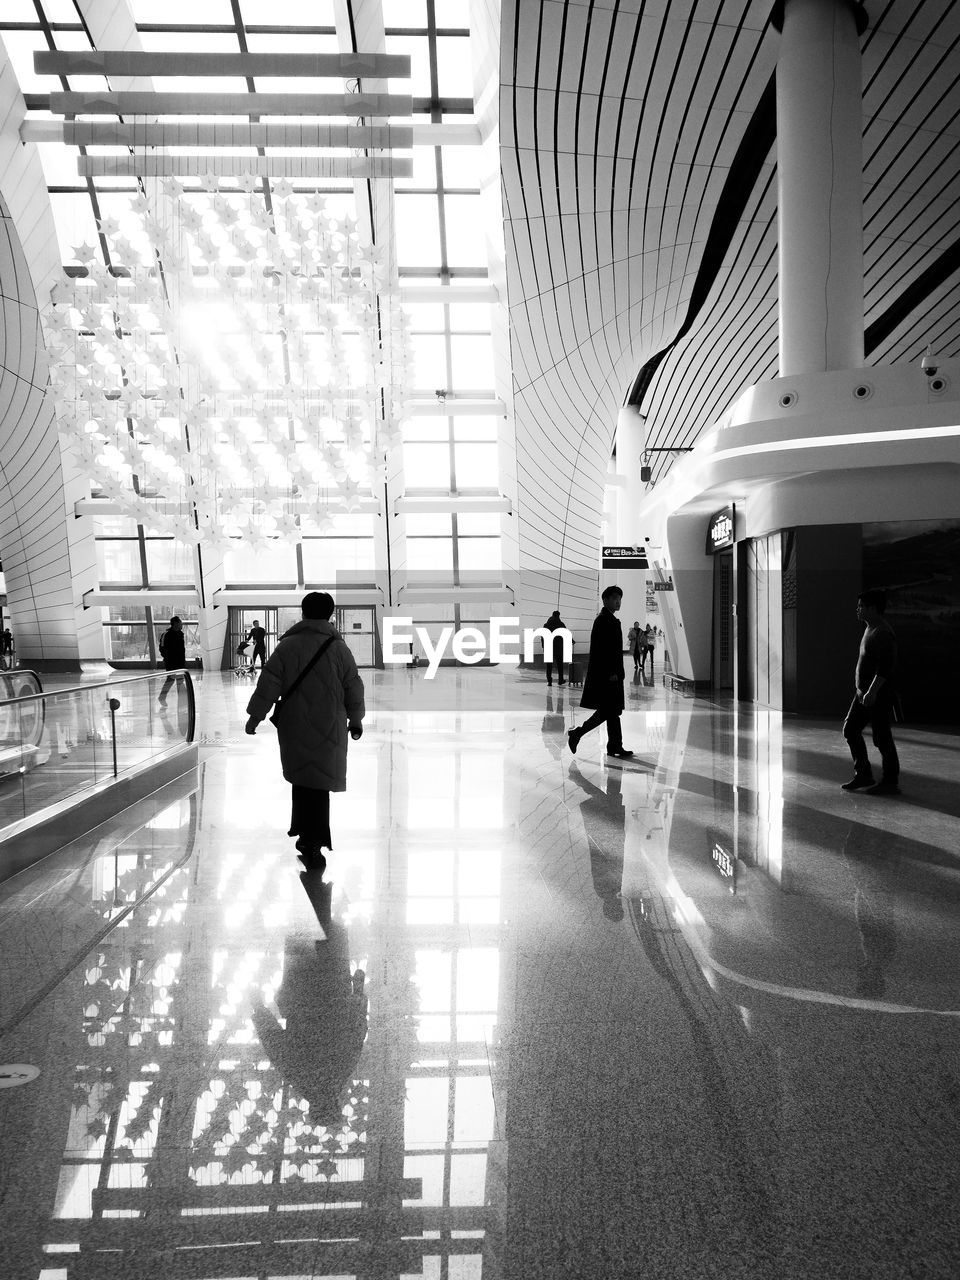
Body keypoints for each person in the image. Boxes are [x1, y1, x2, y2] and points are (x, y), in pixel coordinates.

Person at [245, 591, 365, 873]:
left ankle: (303, 834)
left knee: (302, 780)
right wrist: (356, 720)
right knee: (320, 784)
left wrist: (255, 717)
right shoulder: (338, 648)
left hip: (295, 724)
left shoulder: (288, 646)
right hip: (330, 725)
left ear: (303, 612)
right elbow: (354, 685)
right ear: (330, 614)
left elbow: (269, 683)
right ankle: (316, 839)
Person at [841, 588, 900, 796]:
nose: (857, 610)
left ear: (873, 608)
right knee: (850, 729)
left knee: (882, 738)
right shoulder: (870, 628)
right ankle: (863, 774)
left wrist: (872, 691)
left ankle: (890, 782)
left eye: (861, 607)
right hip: (863, 694)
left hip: (876, 695)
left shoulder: (882, 632)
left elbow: (885, 668)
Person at [567, 585, 634, 759]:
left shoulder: (609, 619)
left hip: (612, 674)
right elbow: (603, 650)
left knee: (612, 711)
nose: (618, 602)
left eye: (619, 598)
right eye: (614, 598)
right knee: (608, 711)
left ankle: (614, 746)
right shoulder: (604, 620)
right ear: (605, 600)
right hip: (608, 675)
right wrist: (612, 672)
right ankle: (578, 734)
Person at [157, 615, 185, 705]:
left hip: (180, 662)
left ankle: (182, 700)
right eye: (180, 623)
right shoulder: (166, 635)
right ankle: (162, 697)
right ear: (175, 624)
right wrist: (167, 658)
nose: (182, 625)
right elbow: (162, 648)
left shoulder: (180, 634)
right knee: (170, 679)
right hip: (171, 662)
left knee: (180, 680)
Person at [543, 609, 567, 686]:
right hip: (558, 648)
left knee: (549, 666)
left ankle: (549, 681)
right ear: (558, 616)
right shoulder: (561, 624)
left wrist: (544, 646)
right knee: (560, 664)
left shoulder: (546, 625)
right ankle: (560, 680)